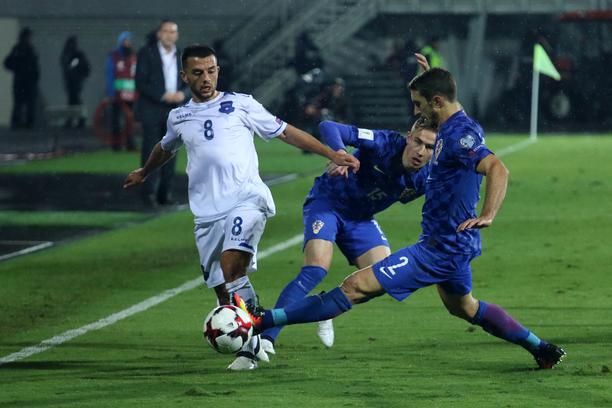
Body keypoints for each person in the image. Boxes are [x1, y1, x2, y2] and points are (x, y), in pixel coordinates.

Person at [236, 67, 566, 370]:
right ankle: (541, 347)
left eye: (419, 104)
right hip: (454, 246)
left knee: (354, 287)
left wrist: (488, 214)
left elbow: (497, 167)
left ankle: (263, 321)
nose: (415, 112)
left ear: (437, 102)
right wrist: (430, 78)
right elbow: (449, 106)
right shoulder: (454, 124)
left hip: (440, 248)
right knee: (465, 308)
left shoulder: (455, 136)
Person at [122, 45, 360, 371]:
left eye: (211, 70)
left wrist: (331, 154)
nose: (206, 78)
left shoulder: (241, 104)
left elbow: (287, 133)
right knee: (223, 294)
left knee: (232, 264)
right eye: (197, 72)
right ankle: (250, 344)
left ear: (218, 70)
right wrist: (144, 171)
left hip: (246, 200)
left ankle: (253, 342)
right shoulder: (179, 116)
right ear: (184, 76)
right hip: (206, 214)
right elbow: (165, 147)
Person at [260, 117, 436, 354]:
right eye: (418, 142)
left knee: (383, 279)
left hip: (360, 219)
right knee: (316, 269)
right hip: (328, 203)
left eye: (429, 147)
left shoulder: (425, 179)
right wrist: (339, 154)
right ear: (408, 136)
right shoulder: (382, 142)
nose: (420, 151)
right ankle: (266, 337)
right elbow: (328, 127)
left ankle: (323, 306)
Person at [135, 19, 188, 208]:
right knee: (151, 152)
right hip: (152, 109)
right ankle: (148, 194)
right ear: (159, 34)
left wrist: (183, 93)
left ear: (177, 35)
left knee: (171, 152)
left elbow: (191, 80)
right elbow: (140, 82)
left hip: (174, 111)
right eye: (165, 31)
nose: (169, 35)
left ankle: (165, 194)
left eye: (172, 32)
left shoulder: (182, 55)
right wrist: (163, 95)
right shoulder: (146, 53)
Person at [106, 31, 137, 151]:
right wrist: (111, 93)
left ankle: (130, 143)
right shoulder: (114, 56)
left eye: (129, 40)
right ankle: (116, 144)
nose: (127, 43)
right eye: (125, 40)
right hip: (117, 94)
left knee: (130, 120)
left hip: (131, 95)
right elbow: (110, 75)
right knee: (116, 121)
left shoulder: (134, 56)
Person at [3, 27, 39, 129]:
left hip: (27, 82)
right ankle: (20, 122)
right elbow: (8, 63)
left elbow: (35, 67)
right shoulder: (19, 49)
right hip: (22, 81)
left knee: (27, 103)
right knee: (21, 103)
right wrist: (19, 67)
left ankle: (25, 123)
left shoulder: (28, 49)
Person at [60, 35, 90, 128]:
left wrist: (78, 75)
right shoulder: (69, 54)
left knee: (74, 100)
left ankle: (77, 120)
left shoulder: (76, 55)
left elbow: (83, 67)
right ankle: (74, 120)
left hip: (75, 81)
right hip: (71, 81)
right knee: (73, 101)